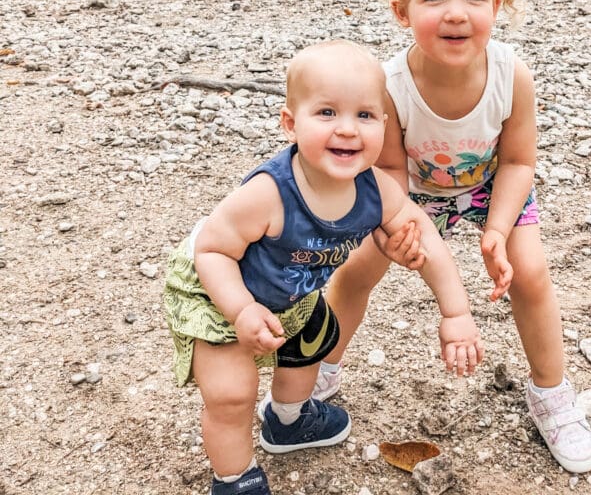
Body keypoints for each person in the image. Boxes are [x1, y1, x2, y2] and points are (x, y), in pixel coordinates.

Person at [281, 0, 591, 474]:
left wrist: (496, 230)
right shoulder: (391, 84)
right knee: (355, 271)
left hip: (491, 186)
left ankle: (551, 392)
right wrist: (394, 231)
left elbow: (520, 162)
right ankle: (319, 371)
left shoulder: (511, 74)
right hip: (411, 189)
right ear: (402, 11)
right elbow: (390, 173)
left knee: (530, 272)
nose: (456, 13)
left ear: (497, 5)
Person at [163, 39, 484, 495]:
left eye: (365, 116)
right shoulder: (268, 194)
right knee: (232, 393)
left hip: (290, 290)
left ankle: (288, 421)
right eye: (328, 113)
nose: (348, 130)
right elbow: (213, 251)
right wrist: (240, 310)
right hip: (217, 288)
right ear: (291, 124)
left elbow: (424, 236)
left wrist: (456, 313)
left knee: (308, 346)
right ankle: (234, 479)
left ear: (385, 126)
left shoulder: (376, 190)